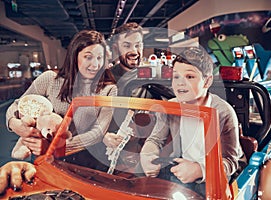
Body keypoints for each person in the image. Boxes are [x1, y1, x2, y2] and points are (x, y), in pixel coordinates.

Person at [139, 46, 246, 197]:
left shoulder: (223, 112)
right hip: (182, 169)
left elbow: (230, 161)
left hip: (216, 174)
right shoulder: (171, 107)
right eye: (176, 77)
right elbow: (155, 139)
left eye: (189, 77)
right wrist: (147, 155)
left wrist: (199, 170)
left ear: (207, 81)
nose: (180, 83)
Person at [6, 30, 117, 159]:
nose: (95, 64)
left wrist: (55, 146)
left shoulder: (108, 90)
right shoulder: (50, 79)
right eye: (88, 57)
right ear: (74, 56)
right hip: (44, 157)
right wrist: (14, 124)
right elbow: (17, 105)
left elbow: (98, 132)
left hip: (81, 158)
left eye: (99, 58)